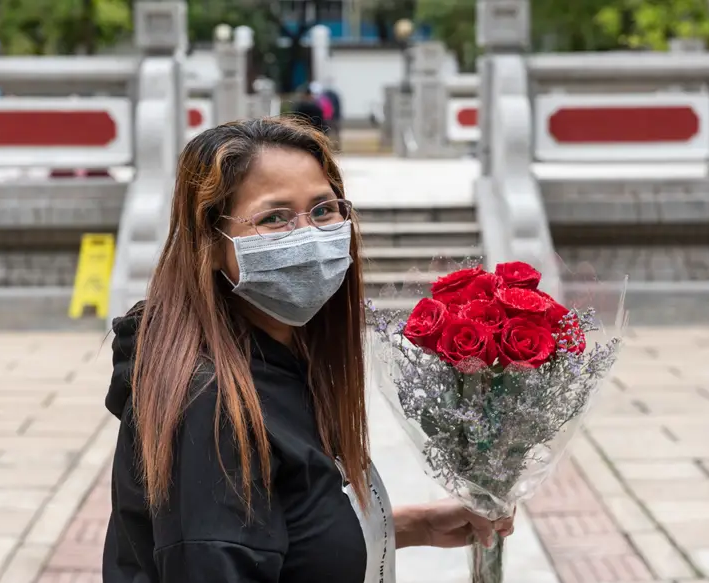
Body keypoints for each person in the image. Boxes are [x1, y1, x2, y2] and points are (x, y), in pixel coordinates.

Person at [102, 117, 515, 583]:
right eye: (274, 218)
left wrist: (407, 526)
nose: (309, 236)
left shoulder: (280, 356)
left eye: (323, 211)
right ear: (211, 243)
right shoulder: (210, 402)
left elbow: (277, 534)